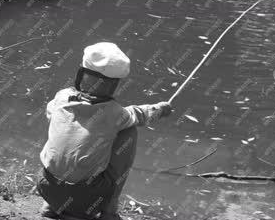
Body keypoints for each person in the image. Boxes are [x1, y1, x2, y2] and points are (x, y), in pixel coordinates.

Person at [37, 42, 173, 220]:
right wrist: (160, 109)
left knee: (58, 121)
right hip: (84, 200)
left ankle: (52, 207)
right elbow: (138, 114)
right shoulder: (115, 113)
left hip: (46, 186)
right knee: (128, 131)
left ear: (81, 74)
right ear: (114, 85)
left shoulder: (61, 97)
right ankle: (109, 213)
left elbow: (53, 116)